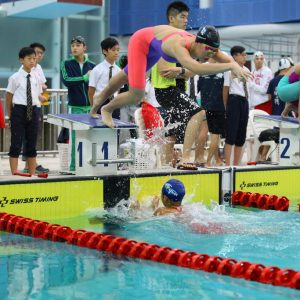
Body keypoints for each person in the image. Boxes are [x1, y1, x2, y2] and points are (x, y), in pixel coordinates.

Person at [90, 25, 252, 167]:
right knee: (136, 93)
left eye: (214, 52)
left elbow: (226, 59)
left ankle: (99, 99)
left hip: (154, 45)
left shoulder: (204, 48)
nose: (210, 56)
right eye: (208, 51)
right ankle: (107, 108)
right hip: (142, 42)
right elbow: (196, 68)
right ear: (198, 43)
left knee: (126, 74)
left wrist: (238, 67)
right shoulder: (179, 46)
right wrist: (230, 66)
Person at [151, 1, 192, 165]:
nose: (186, 21)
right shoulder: (163, 38)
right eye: (183, 17)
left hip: (177, 89)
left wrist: (181, 72)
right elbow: (164, 70)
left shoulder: (182, 40)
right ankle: (185, 159)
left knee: (172, 133)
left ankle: (166, 166)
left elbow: (189, 72)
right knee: (198, 113)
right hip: (165, 90)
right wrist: (182, 72)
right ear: (171, 18)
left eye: (187, 17)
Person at [61, 36, 96, 172]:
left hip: (91, 108)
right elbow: (67, 81)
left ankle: (89, 165)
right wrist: (83, 78)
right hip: (75, 108)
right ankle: (74, 167)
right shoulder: (66, 63)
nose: (74, 48)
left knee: (91, 137)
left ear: (84, 47)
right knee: (75, 138)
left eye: (78, 45)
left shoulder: (92, 65)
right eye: (73, 45)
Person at [6, 47, 42, 175]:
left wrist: (41, 98)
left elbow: (38, 94)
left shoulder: (36, 76)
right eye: (29, 59)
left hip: (34, 110)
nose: (32, 61)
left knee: (32, 144)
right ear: (21, 60)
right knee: (16, 143)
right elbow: (9, 96)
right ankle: (14, 173)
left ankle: (31, 174)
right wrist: (11, 114)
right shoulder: (15, 77)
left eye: (34, 58)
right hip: (19, 110)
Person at [22, 42, 49, 174]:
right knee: (29, 136)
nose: (38, 56)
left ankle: (30, 164)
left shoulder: (39, 68)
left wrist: (43, 88)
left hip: (37, 104)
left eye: (40, 53)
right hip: (28, 106)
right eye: (35, 53)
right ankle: (30, 164)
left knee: (33, 135)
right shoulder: (26, 69)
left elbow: (43, 84)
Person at [223, 46, 251, 166]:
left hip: (245, 101)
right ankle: (228, 164)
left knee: (241, 135)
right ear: (235, 56)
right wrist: (226, 107)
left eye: (245, 55)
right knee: (231, 134)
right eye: (243, 54)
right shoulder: (229, 69)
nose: (245, 57)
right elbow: (225, 89)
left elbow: (248, 90)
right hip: (234, 100)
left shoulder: (247, 70)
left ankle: (236, 164)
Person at [198, 57, 226, 167]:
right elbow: (224, 89)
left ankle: (216, 159)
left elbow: (198, 89)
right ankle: (208, 161)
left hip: (204, 104)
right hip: (217, 105)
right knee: (215, 135)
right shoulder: (221, 69)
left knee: (207, 133)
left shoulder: (201, 68)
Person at [88, 37, 121, 117]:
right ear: (104, 51)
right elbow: (91, 91)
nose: (116, 53)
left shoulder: (119, 71)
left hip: (114, 104)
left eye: (118, 50)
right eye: (113, 50)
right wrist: (93, 108)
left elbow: (119, 89)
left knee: (115, 127)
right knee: (100, 128)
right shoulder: (97, 70)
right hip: (100, 104)